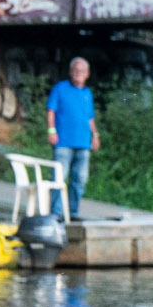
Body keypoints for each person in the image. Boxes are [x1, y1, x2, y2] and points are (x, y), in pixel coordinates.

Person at [46, 56, 99, 221]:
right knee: (59, 179)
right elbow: (50, 111)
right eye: (76, 70)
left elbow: (90, 117)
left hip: (83, 143)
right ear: (70, 72)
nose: (78, 73)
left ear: (87, 74)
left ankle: (72, 212)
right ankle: (56, 213)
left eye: (82, 71)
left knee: (80, 180)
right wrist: (51, 130)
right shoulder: (60, 88)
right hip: (63, 142)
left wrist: (95, 135)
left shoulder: (87, 93)